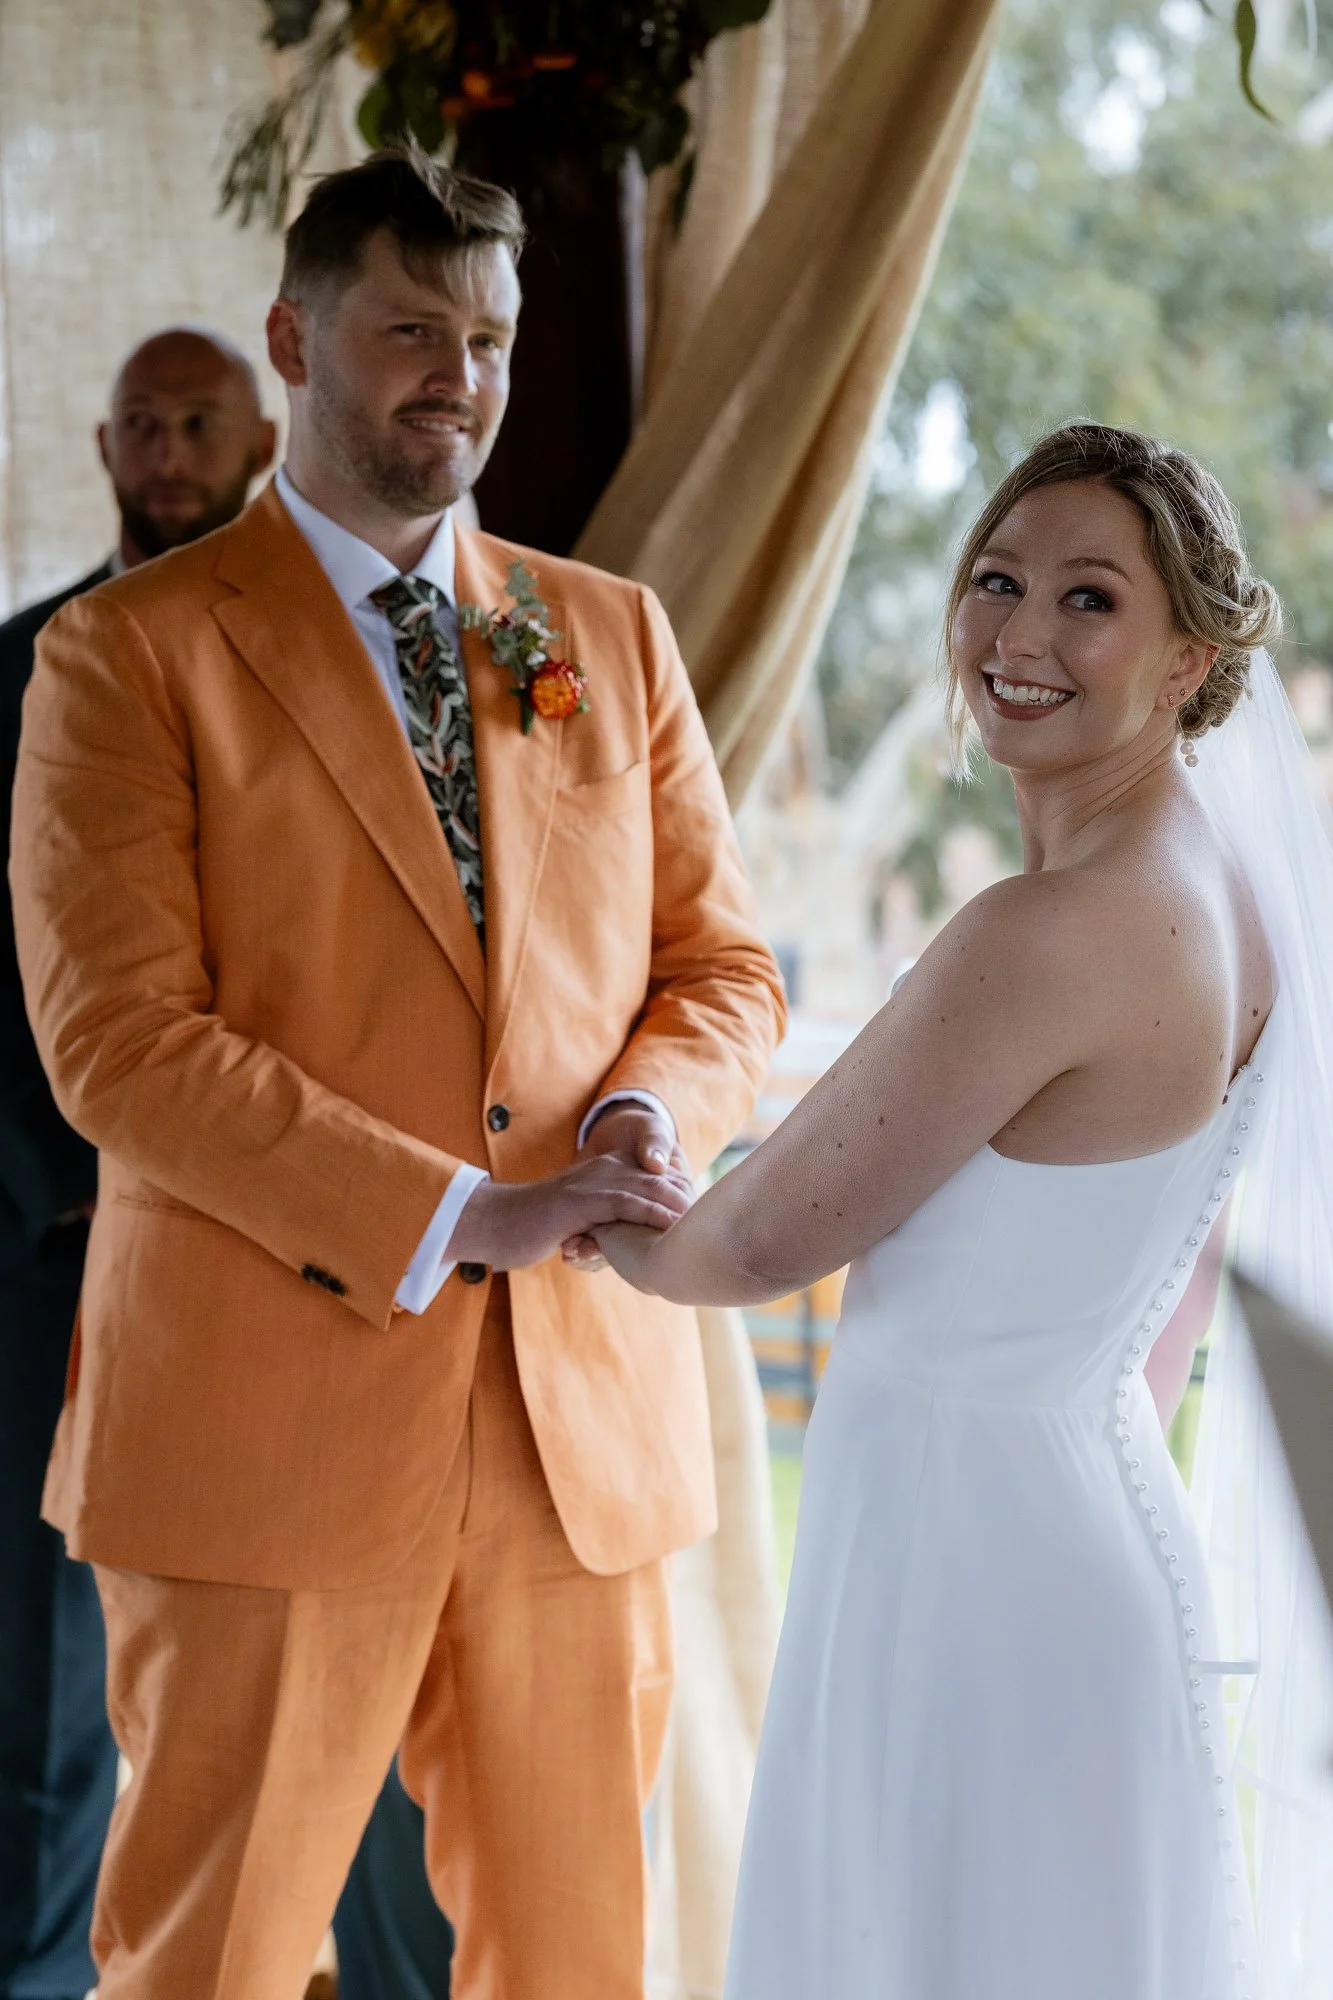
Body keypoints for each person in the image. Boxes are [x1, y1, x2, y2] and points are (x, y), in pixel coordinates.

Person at [10, 146, 785, 2000]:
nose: (463, 376)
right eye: (412, 330)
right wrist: (459, 1209)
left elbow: (726, 971)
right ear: (295, 338)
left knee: (581, 1963)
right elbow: (117, 1043)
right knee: (211, 1962)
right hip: (259, 1426)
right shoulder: (123, 659)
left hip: (575, 1434)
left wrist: (639, 1117)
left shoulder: (612, 634)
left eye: (492, 337)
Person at [593, 424, 1312, 1998]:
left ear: (1191, 656)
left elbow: (754, 1241)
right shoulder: (1227, 897)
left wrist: (589, 1184)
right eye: (996, 581)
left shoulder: (1051, 930)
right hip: (1069, 1513)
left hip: (974, 1573)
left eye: (1089, 601)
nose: (1020, 635)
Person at [0, 326, 274, 2000]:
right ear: (106, 450)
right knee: (38, 1677)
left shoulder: (337, 670)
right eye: (145, 427)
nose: (169, 451)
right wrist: (75, 1191)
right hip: (53, 1247)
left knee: (259, 1678)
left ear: (260, 437)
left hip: (288, 1263)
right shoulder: (16, 667)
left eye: (201, 423)